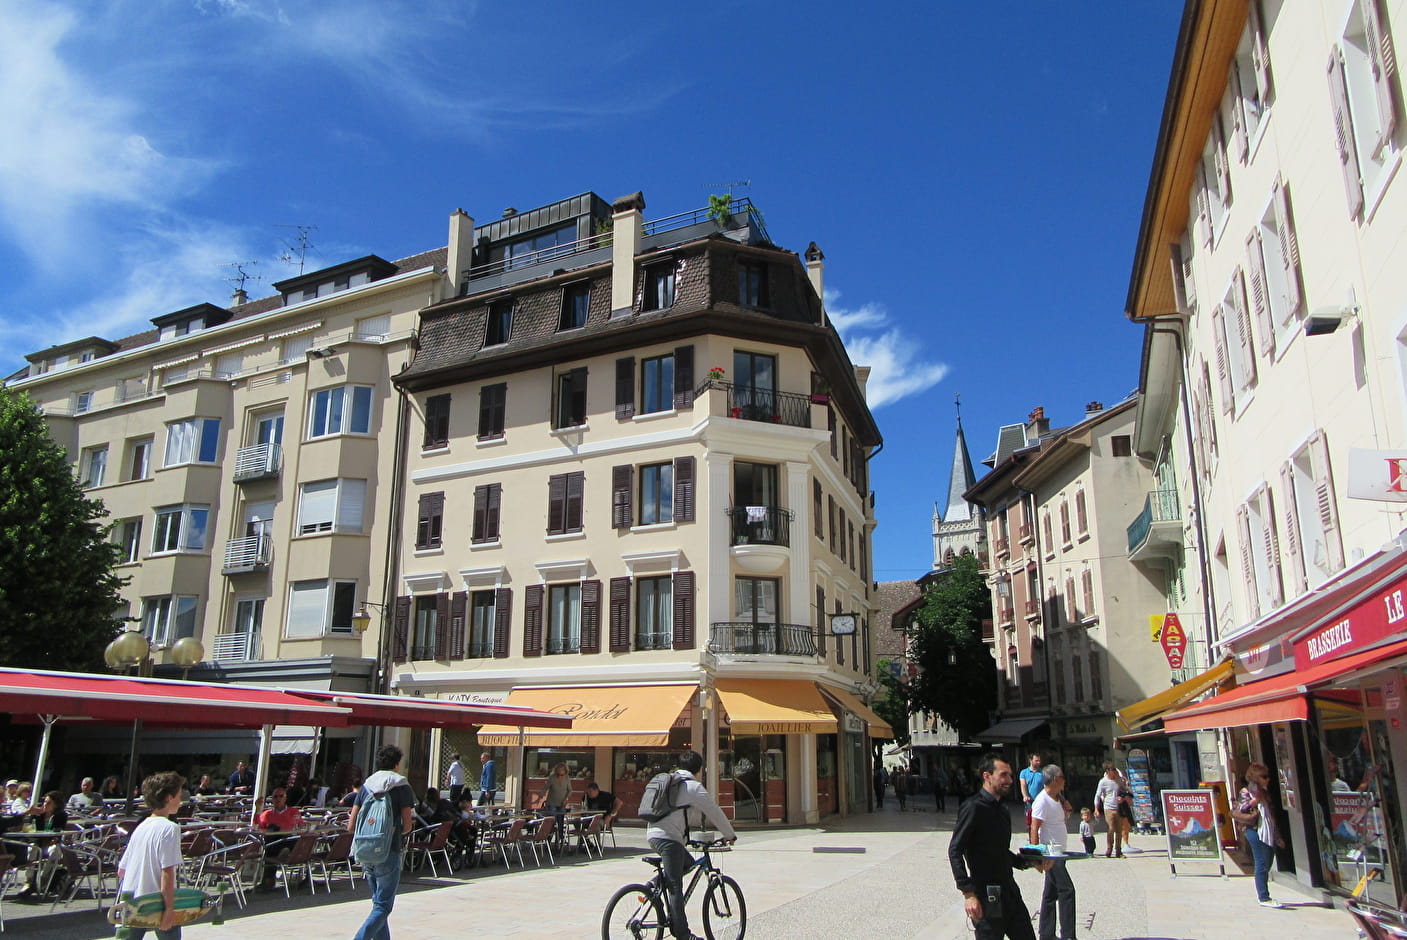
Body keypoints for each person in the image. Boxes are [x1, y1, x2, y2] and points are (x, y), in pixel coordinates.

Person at [949, 753, 1049, 939]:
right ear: (987, 776)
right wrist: (968, 893)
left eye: (1010, 775)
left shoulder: (1002, 809)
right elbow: (955, 849)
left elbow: (1000, 851)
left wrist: (1029, 862)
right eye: (1004, 775)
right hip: (988, 896)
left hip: (1010, 892)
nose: (1010, 780)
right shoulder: (973, 807)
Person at [645, 751, 737, 940]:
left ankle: (653, 886)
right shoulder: (693, 787)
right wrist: (729, 835)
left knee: (687, 863)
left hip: (653, 834)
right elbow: (715, 811)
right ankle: (683, 935)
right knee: (675, 887)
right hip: (669, 839)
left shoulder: (670, 781)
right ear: (699, 770)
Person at [349, 744, 415, 940]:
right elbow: (407, 825)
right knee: (383, 906)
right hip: (388, 850)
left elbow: (351, 825)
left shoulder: (366, 786)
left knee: (378, 903)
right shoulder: (401, 785)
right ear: (396, 764)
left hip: (365, 850)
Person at [116, 772, 186, 939]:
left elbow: (121, 871)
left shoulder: (141, 827)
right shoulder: (170, 828)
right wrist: (169, 908)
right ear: (169, 798)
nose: (181, 800)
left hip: (131, 900)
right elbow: (167, 871)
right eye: (179, 796)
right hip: (156, 902)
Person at [1028, 765, 1076, 940]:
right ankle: (1068, 935)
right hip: (1051, 854)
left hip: (1059, 852)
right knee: (1067, 891)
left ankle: (1046, 934)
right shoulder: (1041, 800)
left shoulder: (1057, 798)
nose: (1065, 779)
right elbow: (1035, 827)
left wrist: (1067, 810)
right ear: (1055, 779)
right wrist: (1035, 856)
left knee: (1050, 894)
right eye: (1062, 776)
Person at [1234, 762, 1285, 909]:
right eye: (1264, 776)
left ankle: (1263, 893)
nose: (1268, 779)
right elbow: (1242, 808)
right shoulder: (1247, 791)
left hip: (1267, 830)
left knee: (1267, 861)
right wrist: (1255, 800)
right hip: (1254, 829)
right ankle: (1264, 897)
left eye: (1268, 776)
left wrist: (1277, 836)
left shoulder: (1265, 791)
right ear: (1255, 777)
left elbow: (1270, 815)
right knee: (1262, 863)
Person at [1094, 762, 1124, 858]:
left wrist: (1123, 797)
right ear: (1107, 771)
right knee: (1111, 828)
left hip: (1119, 808)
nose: (1115, 772)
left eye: (1115, 770)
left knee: (1119, 830)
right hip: (1108, 808)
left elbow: (1124, 790)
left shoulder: (1119, 780)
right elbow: (1098, 795)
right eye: (1113, 770)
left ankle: (1118, 850)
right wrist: (1096, 809)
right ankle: (1109, 848)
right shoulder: (1103, 782)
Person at [541, 762, 572, 846]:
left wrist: (566, 799)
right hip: (552, 803)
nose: (560, 776)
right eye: (558, 774)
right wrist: (539, 797)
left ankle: (560, 841)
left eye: (562, 775)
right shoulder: (552, 778)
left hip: (561, 804)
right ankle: (548, 840)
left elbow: (570, 790)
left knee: (561, 822)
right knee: (551, 822)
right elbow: (545, 788)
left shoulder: (567, 778)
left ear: (565, 773)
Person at [1020, 754, 1045, 827]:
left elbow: (1046, 786)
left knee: (1040, 819)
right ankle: (1031, 835)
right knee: (1030, 820)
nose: (1038, 762)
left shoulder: (1042, 772)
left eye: (1039, 761)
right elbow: (1023, 785)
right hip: (1030, 801)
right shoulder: (1024, 772)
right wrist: (1025, 796)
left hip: (1040, 800)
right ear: (1030, 760)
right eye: (1036, 760)